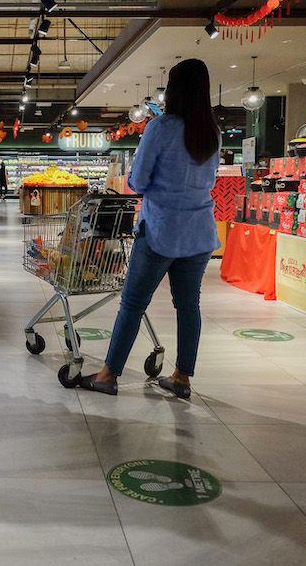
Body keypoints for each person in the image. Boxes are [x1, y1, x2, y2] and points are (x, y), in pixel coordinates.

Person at [79, 58, 221, 399]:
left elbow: (138, 181)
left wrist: (133, 179)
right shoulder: (212, 133)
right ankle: (182, 378)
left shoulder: (161, 128)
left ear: (174, 91)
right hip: (199, 233)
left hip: (161, 231)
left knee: (132, 304)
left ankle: (109, 374)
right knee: (189, 307)